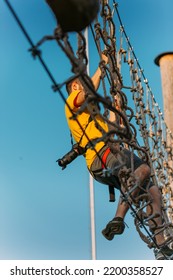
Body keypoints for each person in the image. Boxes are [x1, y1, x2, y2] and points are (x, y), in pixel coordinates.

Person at [64, 54, 173, 260]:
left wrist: (117, 108)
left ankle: (160, 244)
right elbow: (88, 90)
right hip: (101, 155)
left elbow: (113, 127)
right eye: (81, 83)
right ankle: (118, 217)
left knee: (153, 191)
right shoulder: (71, 103)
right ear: (76, 88)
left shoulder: (94, 116)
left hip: (108, 156)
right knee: (142, 170)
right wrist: (103, 64)